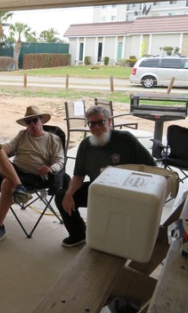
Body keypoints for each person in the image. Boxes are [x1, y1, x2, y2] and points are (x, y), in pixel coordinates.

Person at [55, 105, 156, 247]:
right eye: (92, 124)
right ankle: (78, 234)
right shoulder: (85, 145)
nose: (96, 127)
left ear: (109, 121)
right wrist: (69, 193)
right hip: (98, 191)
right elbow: (78, 175)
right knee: (61, 196)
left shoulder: (126, 139)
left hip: (126, 193)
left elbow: (151, 167)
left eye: (100, 122)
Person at [0, 105, 65, 247]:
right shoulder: (22, 135)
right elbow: (9, 147)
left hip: (35, 177)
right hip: (15, 171)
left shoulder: (53, 139)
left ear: (42, 121)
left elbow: (60, 161)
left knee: (7, 183)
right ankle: (19, 187)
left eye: (35, 120)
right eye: (28, 122)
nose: (32, 124)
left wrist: (51, 169)